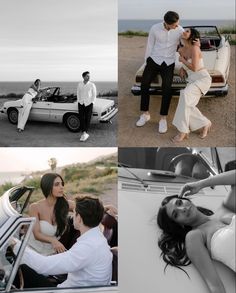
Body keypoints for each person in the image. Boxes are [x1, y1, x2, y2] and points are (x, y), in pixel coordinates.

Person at [157, 170, 235, 293]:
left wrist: (201, 184)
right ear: (179, 225)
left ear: (186, 199)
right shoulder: (194, 236)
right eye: (176, 214)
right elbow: (215, 285)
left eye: (179, 202)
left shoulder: (223, 211)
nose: (182, 209)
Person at [13, 195, 112, 288]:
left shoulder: (87, 247)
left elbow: (43, 265)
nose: (72, 216)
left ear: (79, 218)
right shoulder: (97, 238)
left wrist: (14, 243)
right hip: (75, 287)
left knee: (19, 272)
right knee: (24, 270)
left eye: (74, 212)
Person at [136, 11, 184, 133]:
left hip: (169, 62)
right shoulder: (154, 28)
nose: (177, 26)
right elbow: (150, 45)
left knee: (167, 88)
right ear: (167, 24)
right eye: (175, 24)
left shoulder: (179, 30)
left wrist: (184, 64)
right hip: (154, 59)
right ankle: (145, 114)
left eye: (178, 24)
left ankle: (163, 119)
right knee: (144, 84)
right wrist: (147, 63)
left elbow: (184, 46)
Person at [172, 28, 212, 142]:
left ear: (192, 36)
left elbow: (195, 68)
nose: (184, 31)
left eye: (188, 31)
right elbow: (186, 65)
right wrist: (182, 68)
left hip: (202, 78)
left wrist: (182, 61)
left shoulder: (195, 48)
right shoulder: (181, 49)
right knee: (187, 103)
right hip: (191, 80)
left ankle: (183, 131)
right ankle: (205, 123)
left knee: (184, 95)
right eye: (184, 30)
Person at [28, 173, 74, 255]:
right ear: (47, 187)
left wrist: (104, 208)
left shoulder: (65, 204)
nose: (61, 187)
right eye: (57, 184)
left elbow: (87, 206)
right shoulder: (35, 207)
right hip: (32, 250)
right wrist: (53, 240)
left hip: (53, 252)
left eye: (62, 184)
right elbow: (36, 234)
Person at [77, 71, 97, 142]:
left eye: (89, 76)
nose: (89, 77)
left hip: (89, 103)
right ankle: (84, 132)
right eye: (87, 76)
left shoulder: (92, 85)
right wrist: (79, 101)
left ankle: (85, 132)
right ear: (83, 77)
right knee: (81, 118)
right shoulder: (80, 84)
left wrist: (92, 102)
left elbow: (94, 94)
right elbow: (78, 93)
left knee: (88, 118)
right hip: (81, 103)